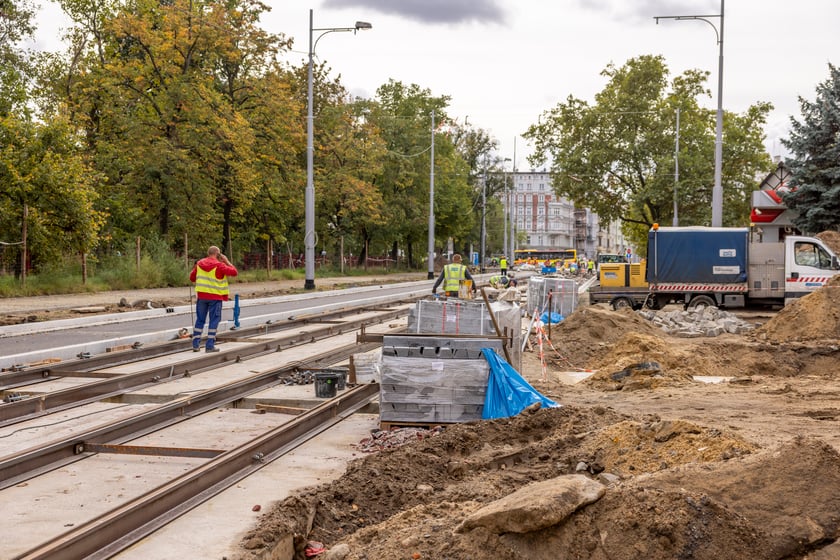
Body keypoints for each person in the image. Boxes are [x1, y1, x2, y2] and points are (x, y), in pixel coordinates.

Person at [190, 245, 238, 352]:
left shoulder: (199, 264)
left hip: (202, 297)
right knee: (214, 320)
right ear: (218, 254)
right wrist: (227, 261)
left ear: (208, 253)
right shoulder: (220, 265)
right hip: (215, 298)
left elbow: (192, 278)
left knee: (200, 320)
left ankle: (195, 344)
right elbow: (234, 272)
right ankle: (210, 345)